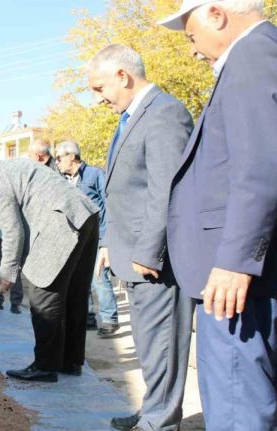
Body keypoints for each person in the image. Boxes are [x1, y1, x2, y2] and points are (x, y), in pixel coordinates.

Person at [160, 1, 277, 429]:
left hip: (235, 283)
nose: (192, 50)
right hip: (246, 275)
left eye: (191, 36)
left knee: (236, 409)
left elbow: (260, 167)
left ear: (216, 13)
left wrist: (234, 261)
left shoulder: (251, 56)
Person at [87, 44, 194, 431]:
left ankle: (160, 422)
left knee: (163, 345)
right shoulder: (132, 118)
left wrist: (149, 251)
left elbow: (166, 189)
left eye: (99, 89)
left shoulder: (164, 114)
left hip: (154, 261)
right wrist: (108, 246)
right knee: (150, 347)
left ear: (123, 75)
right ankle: (153, 409)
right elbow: (125, 191)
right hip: (131, 256)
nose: (97, 99)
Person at [0, 155, 99, 383]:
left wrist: (7, 273)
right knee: (73, 294)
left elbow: (13, 232)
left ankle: (45, 366)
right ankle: (70, 362)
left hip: (61, 220)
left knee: (43, 293)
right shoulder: (10, 166)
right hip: (86, 215)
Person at [55, 140, 118, 337]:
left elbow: (109, 206)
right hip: (76, 238)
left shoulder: (95, 175)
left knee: (99, 278)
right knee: (79, 280)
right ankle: (88, 316)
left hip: (97, 237)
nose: (57, 162)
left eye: (59, 158)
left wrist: (106, 240)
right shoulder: (63, 180)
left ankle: (109, 319)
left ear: (71, 157)